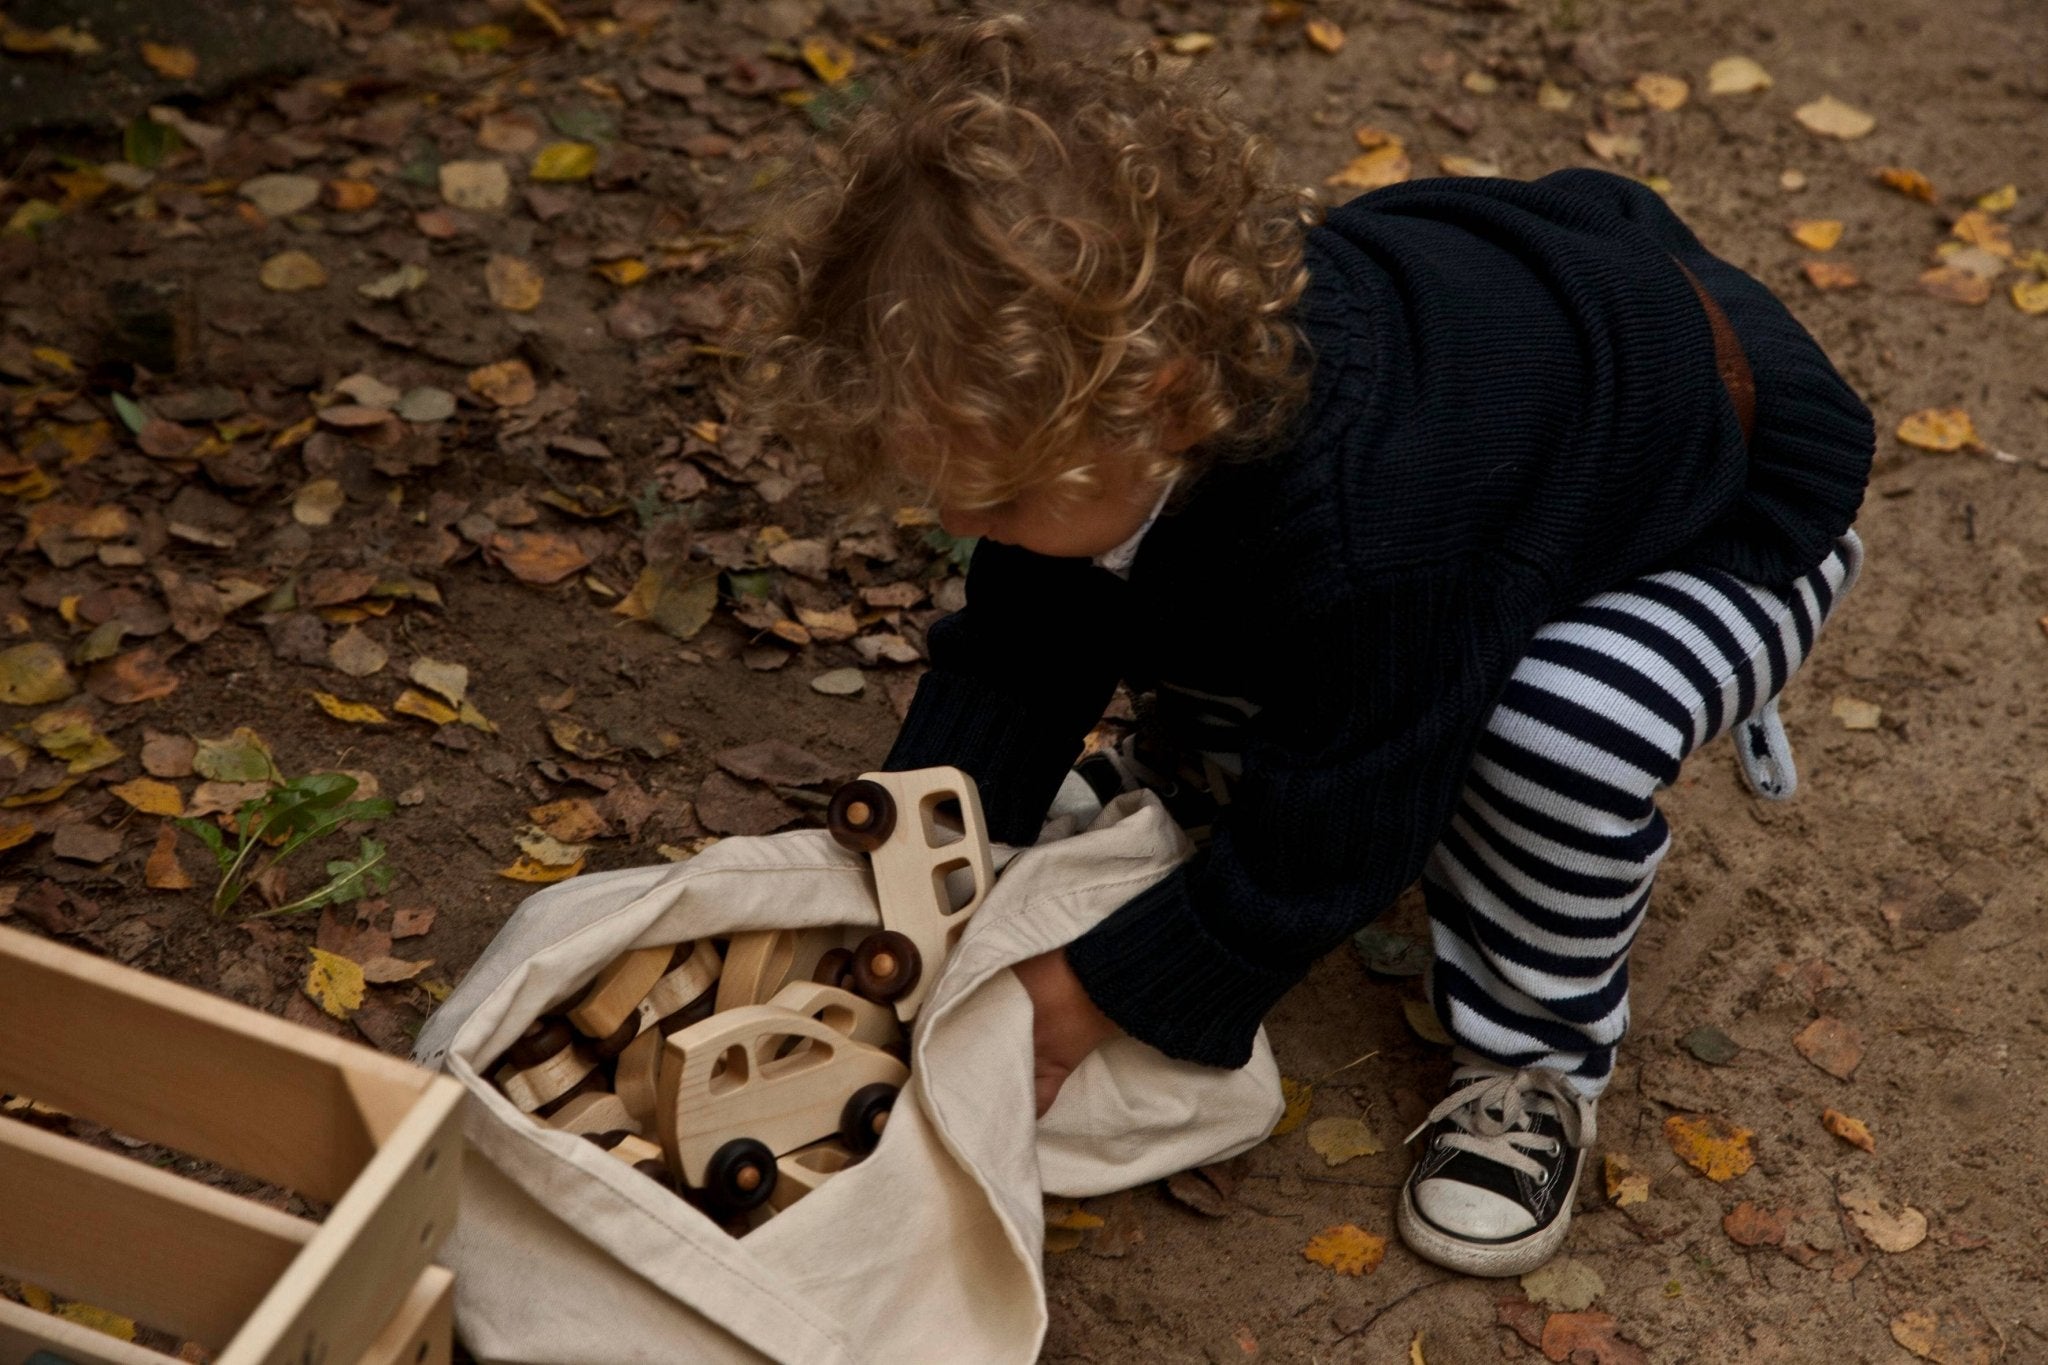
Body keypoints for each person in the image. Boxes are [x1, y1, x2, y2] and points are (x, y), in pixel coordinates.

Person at [737, 15, 1872, 1278]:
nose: (961, 524)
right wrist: (924, 830)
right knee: (1173, 574)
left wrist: (1086, 994)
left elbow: (1343, 824)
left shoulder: (1370, 527)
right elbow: (1024, 636)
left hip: (1710, 509)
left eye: (995, 499)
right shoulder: (1125, 422)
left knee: (1550, 731)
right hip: (1501, 452)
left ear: (1162, 401)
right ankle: (1211, 760)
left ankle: (1532, 1060)